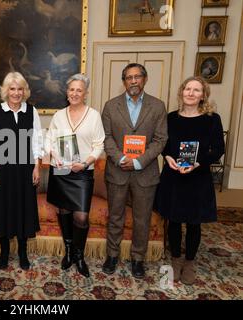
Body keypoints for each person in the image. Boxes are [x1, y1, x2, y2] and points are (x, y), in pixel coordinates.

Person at [155, 76, 225, 285]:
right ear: (182, 92)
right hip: (173, 176)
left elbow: (218, 150)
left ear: (203, 95)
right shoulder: (171, 118)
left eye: (196, 90)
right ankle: (176, 260)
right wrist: (167, 157)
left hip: (198, 178)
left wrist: (198, 163)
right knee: (174, 220)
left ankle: (190, 262)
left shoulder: (212, 119)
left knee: (194, 223)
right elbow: (164, 144)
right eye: (188, 89)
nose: (191, 93)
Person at [101, 63, 168, 279]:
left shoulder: (157, 106)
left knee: (142, 219)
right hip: (117, 171)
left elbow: (160, 139)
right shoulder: (111, 106)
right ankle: (112, 255)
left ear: (145, 79)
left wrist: (138, 161)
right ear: (124, 81)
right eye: (129, 77)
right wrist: (121, 158)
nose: (133, 81)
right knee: (115, 217)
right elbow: (106, 137)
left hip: (145, 172)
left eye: (137, 77)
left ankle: (138, 259)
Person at [45, 74, 105, 277]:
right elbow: (49, 140)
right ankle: (69, 251)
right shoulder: (59, 115)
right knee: (64, 211)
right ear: (67, 92)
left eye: (79, 90)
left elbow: (99, 144)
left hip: (82, 172)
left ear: (85, 93)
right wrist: (53, 154)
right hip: (61, 169)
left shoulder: (94, 115)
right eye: (71, 89)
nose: (75, 93)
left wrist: (87, 162)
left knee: (81, 216)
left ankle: (79, 255)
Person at [0, 71, 43, 270]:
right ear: (6, 91)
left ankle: (23, 253)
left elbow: (37, 142)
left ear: (24, 91)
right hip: (2, 169)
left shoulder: (31, 111)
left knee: (24, 209)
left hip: (25, 170)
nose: (16, 93)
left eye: (19, 89)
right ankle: (5, 252)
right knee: (3, 209)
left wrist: (37, 167)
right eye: (12, 89)